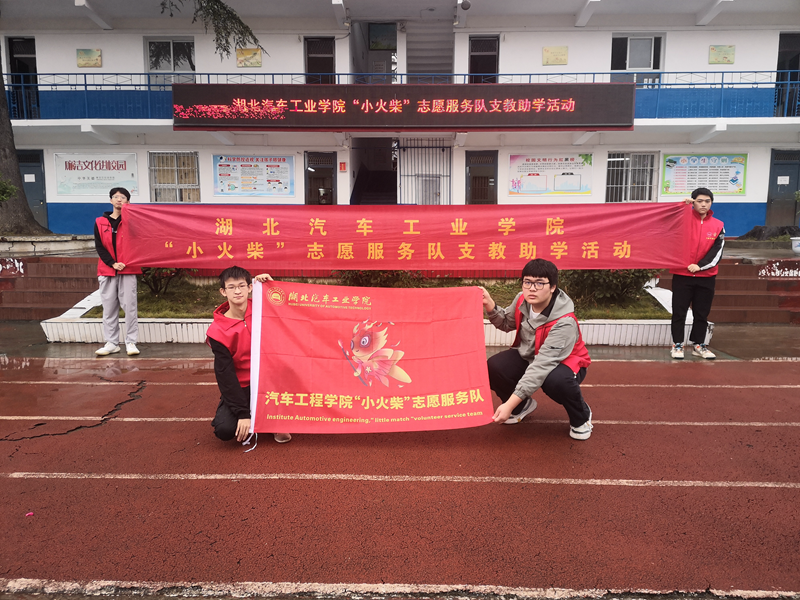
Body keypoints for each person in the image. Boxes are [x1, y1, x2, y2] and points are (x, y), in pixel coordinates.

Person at [483, 258, 593, 440]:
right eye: (527, 282)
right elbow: (506, 323)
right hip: (529, 356)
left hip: (564, 363)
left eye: (539, 283)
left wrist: (509, 404)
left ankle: (581, 416)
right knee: (494, 366)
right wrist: (489, 304)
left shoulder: (564, 322)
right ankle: (522, 407)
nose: (532, 289)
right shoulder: (522, 300)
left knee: (555, 381)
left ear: (552, 287)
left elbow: (543, 365)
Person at [206, 265, 292, 445]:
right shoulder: (217, 331)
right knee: (225, 430)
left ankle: (271, 417)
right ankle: (252, 413)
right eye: (231, 287)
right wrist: (243, 414)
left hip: (271, 382)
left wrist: (272, 285)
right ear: (223, 292)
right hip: (242, 386)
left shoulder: (263, 308)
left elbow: (289, 309)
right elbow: (225, 376)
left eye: (241, 286)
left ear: (250, 287)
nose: (237, 291)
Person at [669, 187, 725, 360]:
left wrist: (700, 266)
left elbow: (717, 251)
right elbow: (665, 221)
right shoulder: (682, 219)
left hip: (706, 277)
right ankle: (677, 345)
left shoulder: (718, 225)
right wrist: (680, 207)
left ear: (711, 203)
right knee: (679, 312)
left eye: (707, 201)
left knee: (701, 313)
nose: (703, 204)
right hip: (682, 275)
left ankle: (699, 345)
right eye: (699, 201)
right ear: (693, 202)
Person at [94, 187, 141, 356]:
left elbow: (139, 243)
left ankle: (131, 342)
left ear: (128, 201)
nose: (119, 199)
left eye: (123, 197)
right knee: (109, 308)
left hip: (128, 269)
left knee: (130, 308)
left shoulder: (133, 221)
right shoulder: (100, 222)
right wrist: (112, 263)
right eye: (115, 197)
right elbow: (99, 246)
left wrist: (125, 262)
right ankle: (112, 343)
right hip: (107, 270)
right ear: (110, 200)